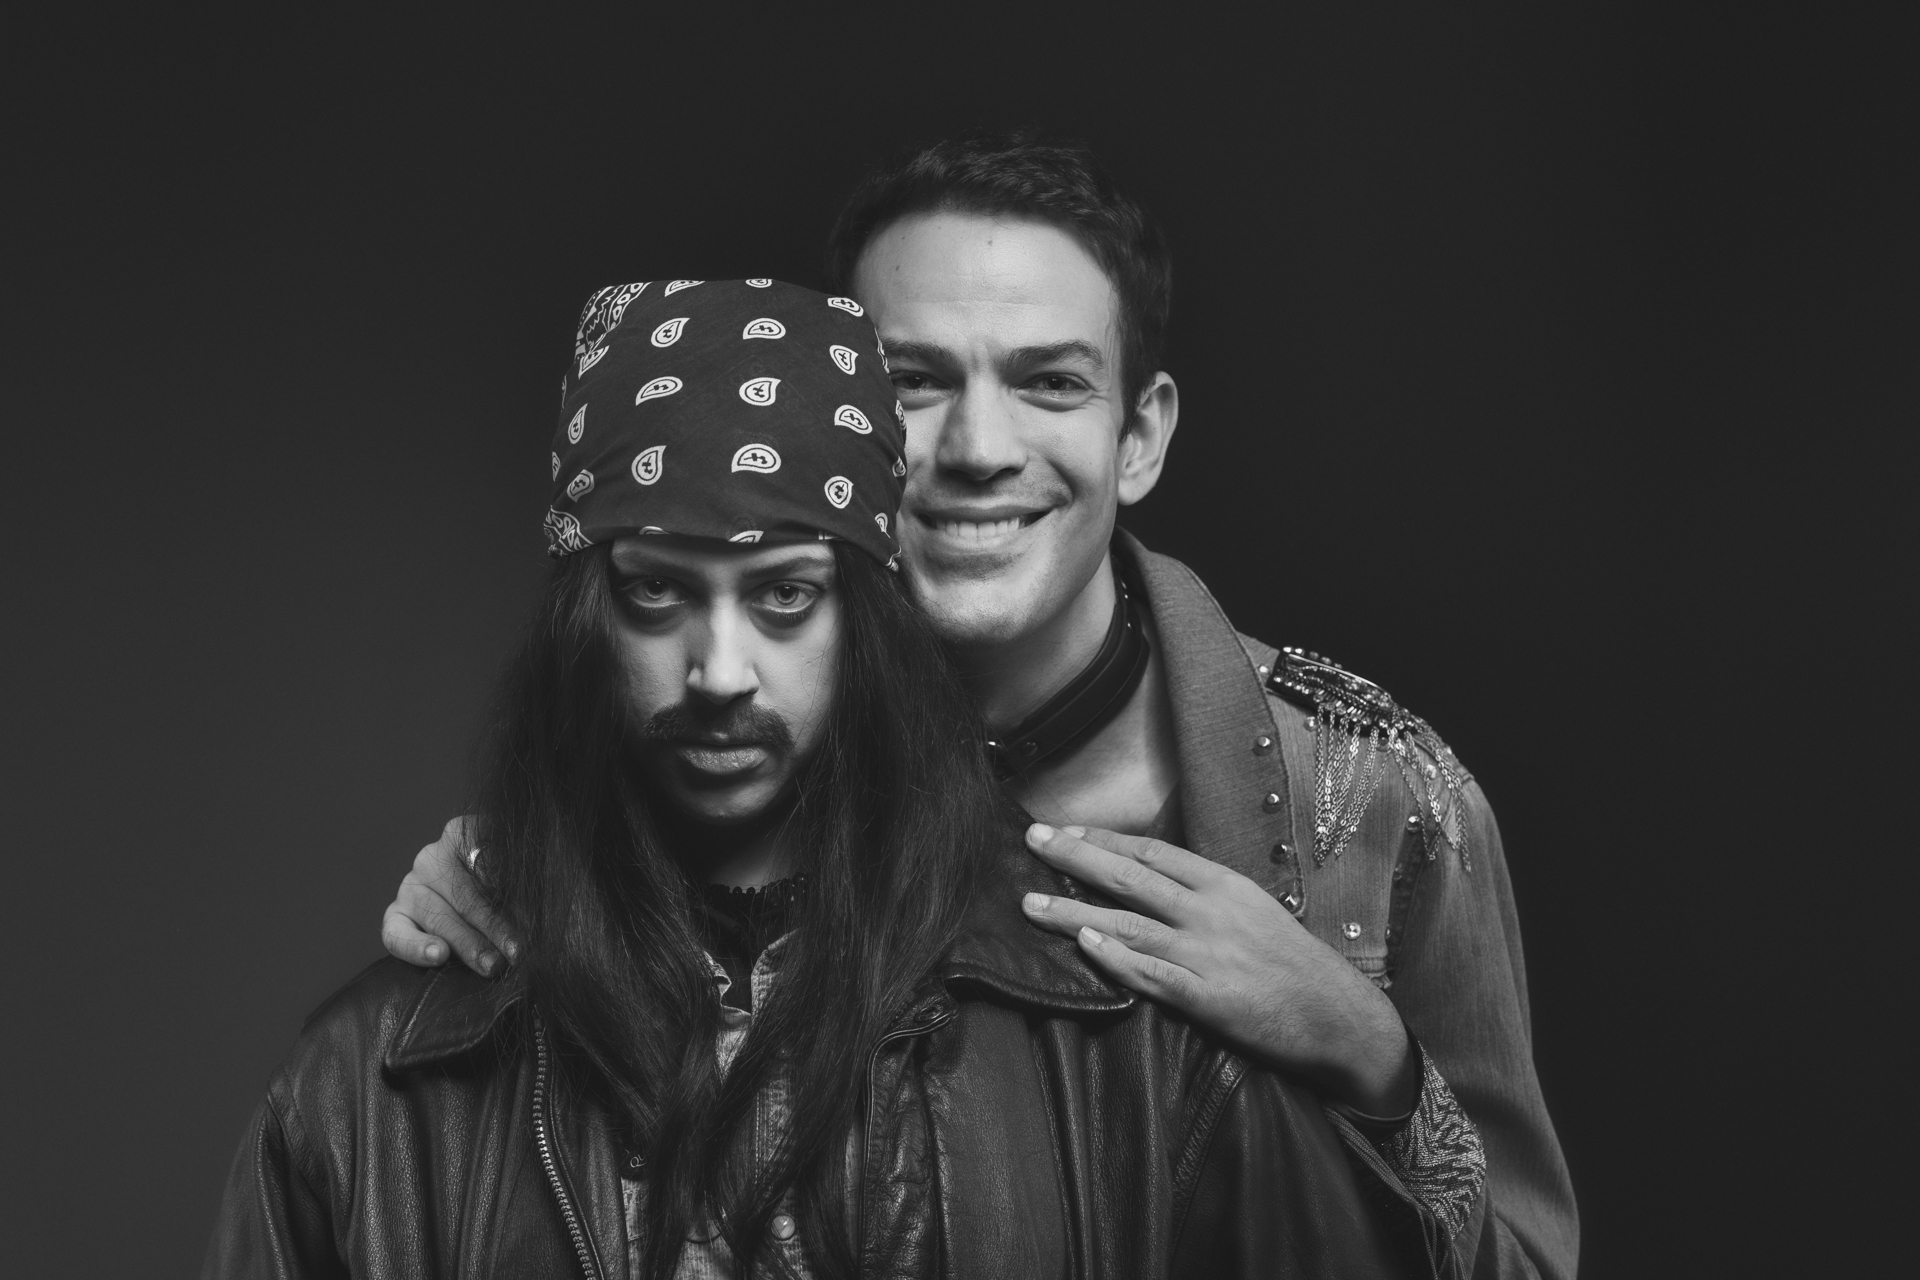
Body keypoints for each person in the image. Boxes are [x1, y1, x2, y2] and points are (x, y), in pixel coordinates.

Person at [381, 135, 1578, 1278]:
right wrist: (503, 888)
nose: (977, 447)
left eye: (1050, 381)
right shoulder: (723, 732)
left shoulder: (1377, 794)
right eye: (913, 381)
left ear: (1140, 436)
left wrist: (1370, 1056)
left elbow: (1523, 1264)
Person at [206, 279, 1426, 1280]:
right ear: (586, 623)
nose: (719, 671)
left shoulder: (1128, 1034)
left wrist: (1376, 1063)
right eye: (655, 591)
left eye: (786, 594)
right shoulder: (369, 1084)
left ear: (868, 625)